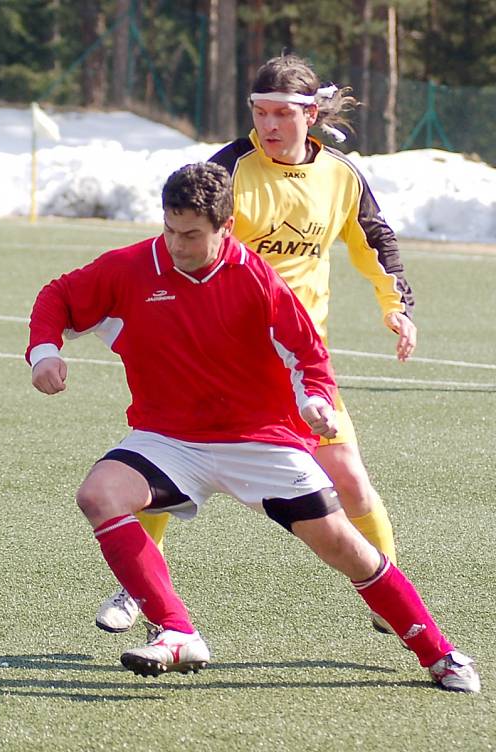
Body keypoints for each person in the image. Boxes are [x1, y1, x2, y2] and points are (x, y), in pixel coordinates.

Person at [27, 161, 479, 692]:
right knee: (99, 494)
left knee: (345, 548)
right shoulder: (132, 266)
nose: (176, 244)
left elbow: (309, 356)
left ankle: (439, 653)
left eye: (192, 234)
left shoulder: (256, 278)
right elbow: (57, 296)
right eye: (170, 229)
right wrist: (44, 352)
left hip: (259, 439)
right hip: (169, 438)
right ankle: (176, 632)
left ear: (226, 226)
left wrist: (314, 400)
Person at [97, 53, 415, 637]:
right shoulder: (229, 170)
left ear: (311, 114)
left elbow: (374, 242)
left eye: (281, 114)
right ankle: (137, 587)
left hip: (298, 363)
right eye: (259, 112)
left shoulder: (341, 176)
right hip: (219, 358)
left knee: (347, 474)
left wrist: (397, 307)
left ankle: (386, 587)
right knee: (164, 461)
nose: (268, 125)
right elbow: (180, 242)